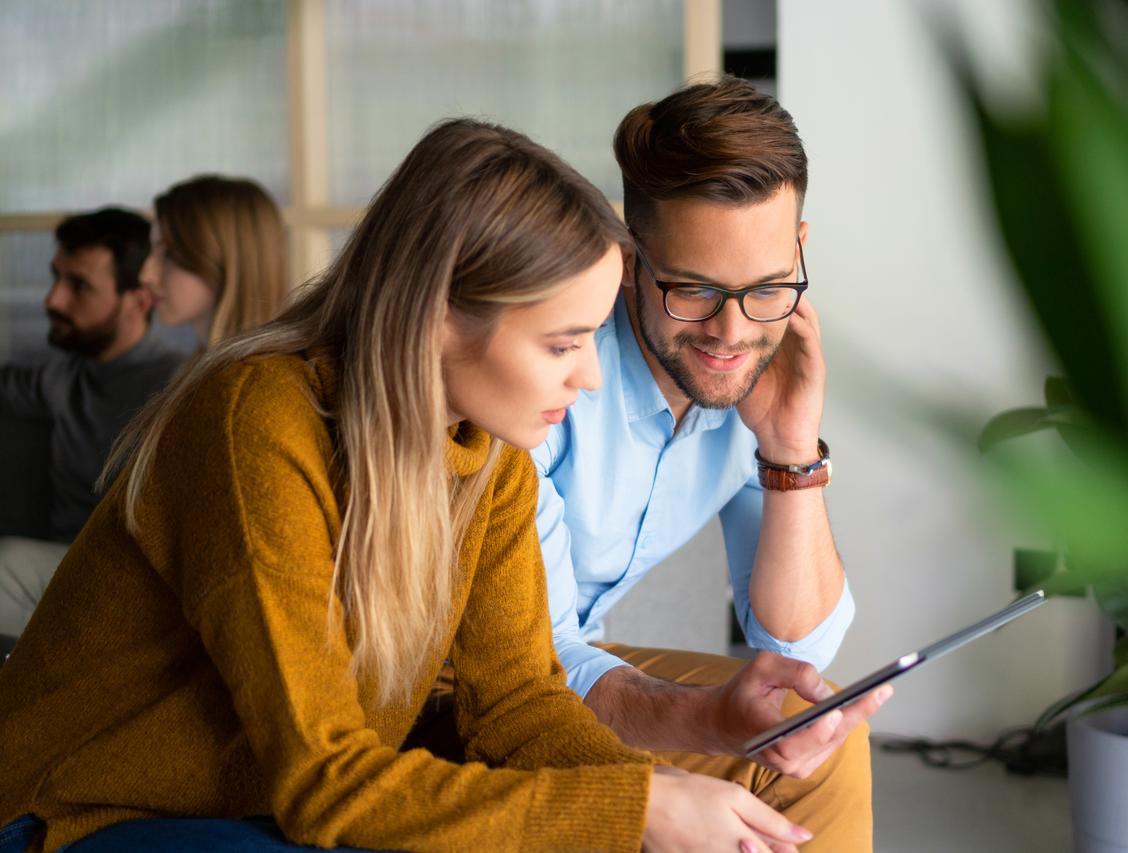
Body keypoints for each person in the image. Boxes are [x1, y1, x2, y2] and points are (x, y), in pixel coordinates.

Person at [0, 119, 814, 853]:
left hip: (254, 804)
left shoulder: (488, 457)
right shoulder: (255, 420)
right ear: (437, 318)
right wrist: (630, 810)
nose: (593, 376)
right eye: (563, 343)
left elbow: (520, 704)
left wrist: (654, 798)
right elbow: (324, 780)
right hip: (73, 811)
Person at [533, 77, 881, 850]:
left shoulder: (765, 357)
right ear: (630, 260)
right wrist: (706, 724)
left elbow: (796, 653)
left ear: (799, 249)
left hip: (566, 652)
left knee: (818, 735)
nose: (731, 333)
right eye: (694, 290)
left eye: (765, 288)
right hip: (482, 667)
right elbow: (526, 659)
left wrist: (791, 449)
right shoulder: (551, 367)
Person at [0, 208, 186, 637]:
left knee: (6, 566)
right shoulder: (60, 376)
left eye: (78, 286)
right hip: (59, 575)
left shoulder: (179, 388)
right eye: (56, 278)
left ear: (138, 301)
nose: (53, 300)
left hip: (135, 587)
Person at [139, 174, 289, 348]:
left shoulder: (261, 373)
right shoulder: (200, 363)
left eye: (169, 255)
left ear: (229, 259)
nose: (146, 276)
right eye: (152, 251)